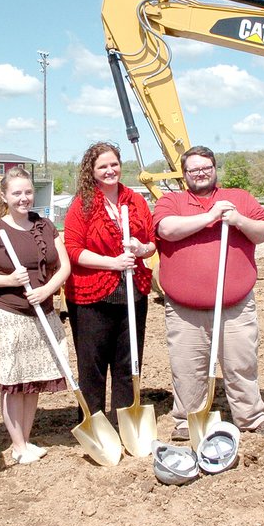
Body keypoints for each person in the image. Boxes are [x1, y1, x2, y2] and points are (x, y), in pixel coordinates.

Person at [153, 145, 264, 440]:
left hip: (235, 306)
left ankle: (252, 416)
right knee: (187, 368)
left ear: (214, 168)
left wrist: (238, 220)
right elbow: (167, 230)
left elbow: (263, 232)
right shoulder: (171, 201)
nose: (200, 173)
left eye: (205, 167)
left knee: (241, 364)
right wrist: (211, 216)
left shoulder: (238, 199)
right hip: (185, 310)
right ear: (184, 175)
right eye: (193, 169)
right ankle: (188, 420)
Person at [0, 167, 71, 465]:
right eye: (17, 193)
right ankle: (17, 445)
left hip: (43, 311)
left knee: (33, 382)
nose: (24, 198)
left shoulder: (45, 225)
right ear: (4, 195)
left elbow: (64, 266)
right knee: (14, 383)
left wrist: (47, 292)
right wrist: (9, 281)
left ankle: (26, 440)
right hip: (9, 314)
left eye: (28, 192)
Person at [64, 141, 156, 419]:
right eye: (102, 166)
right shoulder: (83, 204)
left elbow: (152, 242)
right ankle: (93, 419)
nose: (109, 170)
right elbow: (73, 249)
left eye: (113, 164)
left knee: (128, 362)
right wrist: (112, 263)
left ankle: (123, 418)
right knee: (92, 364)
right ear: (91, 171)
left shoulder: (135, 200)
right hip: (91, 296)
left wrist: (141, 249)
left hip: (133, 291)